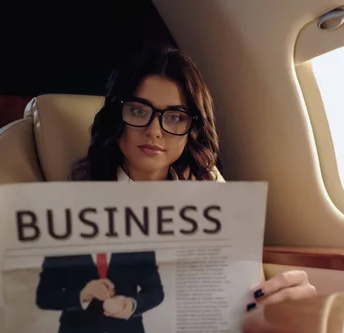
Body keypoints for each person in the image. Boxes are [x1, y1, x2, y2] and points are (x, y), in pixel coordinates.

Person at [69, 46, 316, 311]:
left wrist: (273, 305)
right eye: (139, 111)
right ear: (117, 116)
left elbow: (246, 288)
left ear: (192, 129)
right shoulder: (82, 199)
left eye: (174, 117)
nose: (154, 131)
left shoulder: (208, 183)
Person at [36, 251, 163, 333]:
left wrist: (131, 305)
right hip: (76, 331)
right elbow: (44, 297)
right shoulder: (60, 245)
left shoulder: (137, 241)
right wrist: (82, 295)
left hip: (128, 331)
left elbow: (155, 292)